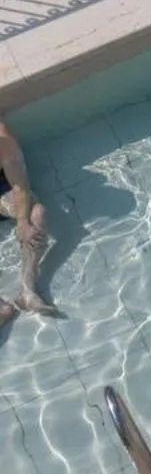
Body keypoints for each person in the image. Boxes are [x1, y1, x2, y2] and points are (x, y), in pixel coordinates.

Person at [0, 117, 54, 326]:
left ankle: (27, 290)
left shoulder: (2, 137)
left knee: (38, 215)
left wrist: (23, 223)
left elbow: (20, 185)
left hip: (4, 190)